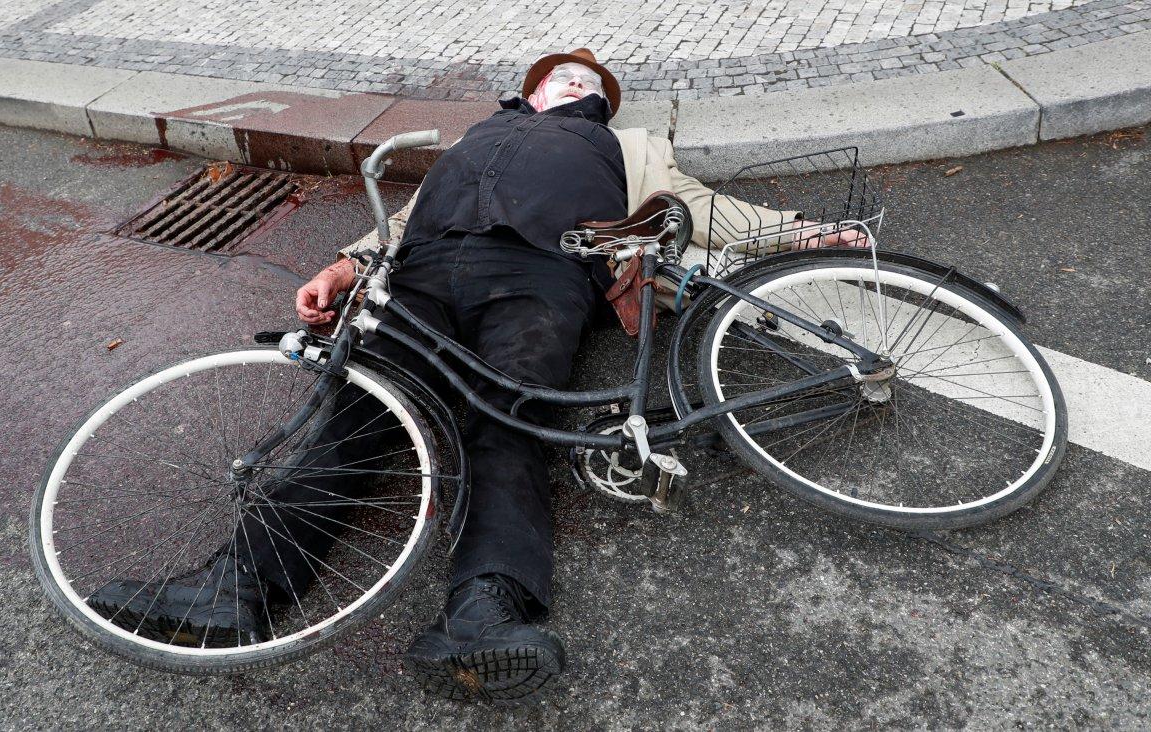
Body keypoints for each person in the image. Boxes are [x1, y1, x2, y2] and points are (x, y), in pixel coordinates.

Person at [88, 48, 862, 702]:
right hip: (422, 272)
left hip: (541, 272)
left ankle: (486, 607)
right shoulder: (482, 135)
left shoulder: (627, 144)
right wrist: (345, 264)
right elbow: (410, 214)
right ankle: (239, 585)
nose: (579, 86)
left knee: (510, 417)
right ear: (532, 90)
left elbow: (694, 206)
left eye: (591, 85)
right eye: (564, 76)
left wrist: (805, 233)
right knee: (359, 405)